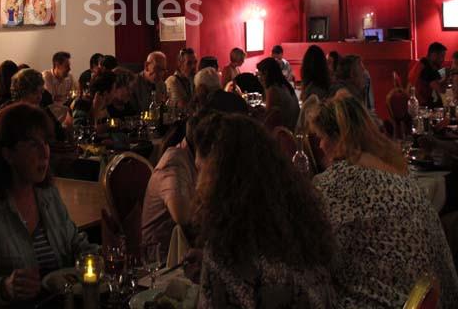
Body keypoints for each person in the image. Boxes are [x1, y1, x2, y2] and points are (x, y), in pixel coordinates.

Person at [310, 96, 458, 308]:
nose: (321, 145)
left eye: (321, 137)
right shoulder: (399, 175)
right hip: (437, 298)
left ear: (339, 138)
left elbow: (314, 252)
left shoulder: (331, 185)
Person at [0, 103, 97, 308]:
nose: (45, 153)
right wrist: (4, 289)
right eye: (33, 144)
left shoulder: (47, 195)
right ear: (7, 154)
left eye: (45, 142)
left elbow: (74, 244)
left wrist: (99, 255)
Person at [192, 112, 334, 308]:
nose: (197, 186)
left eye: (200, 171)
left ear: (215, 179)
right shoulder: (301, 225)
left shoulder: (225, 253)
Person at [141, 114, 200, 258]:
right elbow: (183, 218)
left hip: (187, 251)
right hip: (163, 259)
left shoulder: (195, 158)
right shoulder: (175, 164)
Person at [9, 68, 66, 141]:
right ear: (22, 92)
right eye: (34, 92)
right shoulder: (8, 114)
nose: (39, 97)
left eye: (41, 92)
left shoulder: (42, 110)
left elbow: (60, 135)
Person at [257, 57, 299, 130]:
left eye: (260, 75)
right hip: (294, 127)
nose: (259, 78)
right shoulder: (285, 85)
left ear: (266, 73)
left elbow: (267, 118)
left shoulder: (273, 89)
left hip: (284, 132)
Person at [127, 51, 168, 115]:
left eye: (163, 70)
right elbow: (133, 113)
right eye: (157, 68)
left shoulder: (162, 85)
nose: (160, 74)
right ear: (146, 66)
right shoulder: (133, 83)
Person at [414, 41, 447, 108]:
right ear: (433, 55)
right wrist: (448, 77)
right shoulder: (426, 68)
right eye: (442, 56)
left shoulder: (426, 63)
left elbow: (439, 80)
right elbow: (441, 90)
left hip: (423, 102)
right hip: (420, 106)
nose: (443, 60)